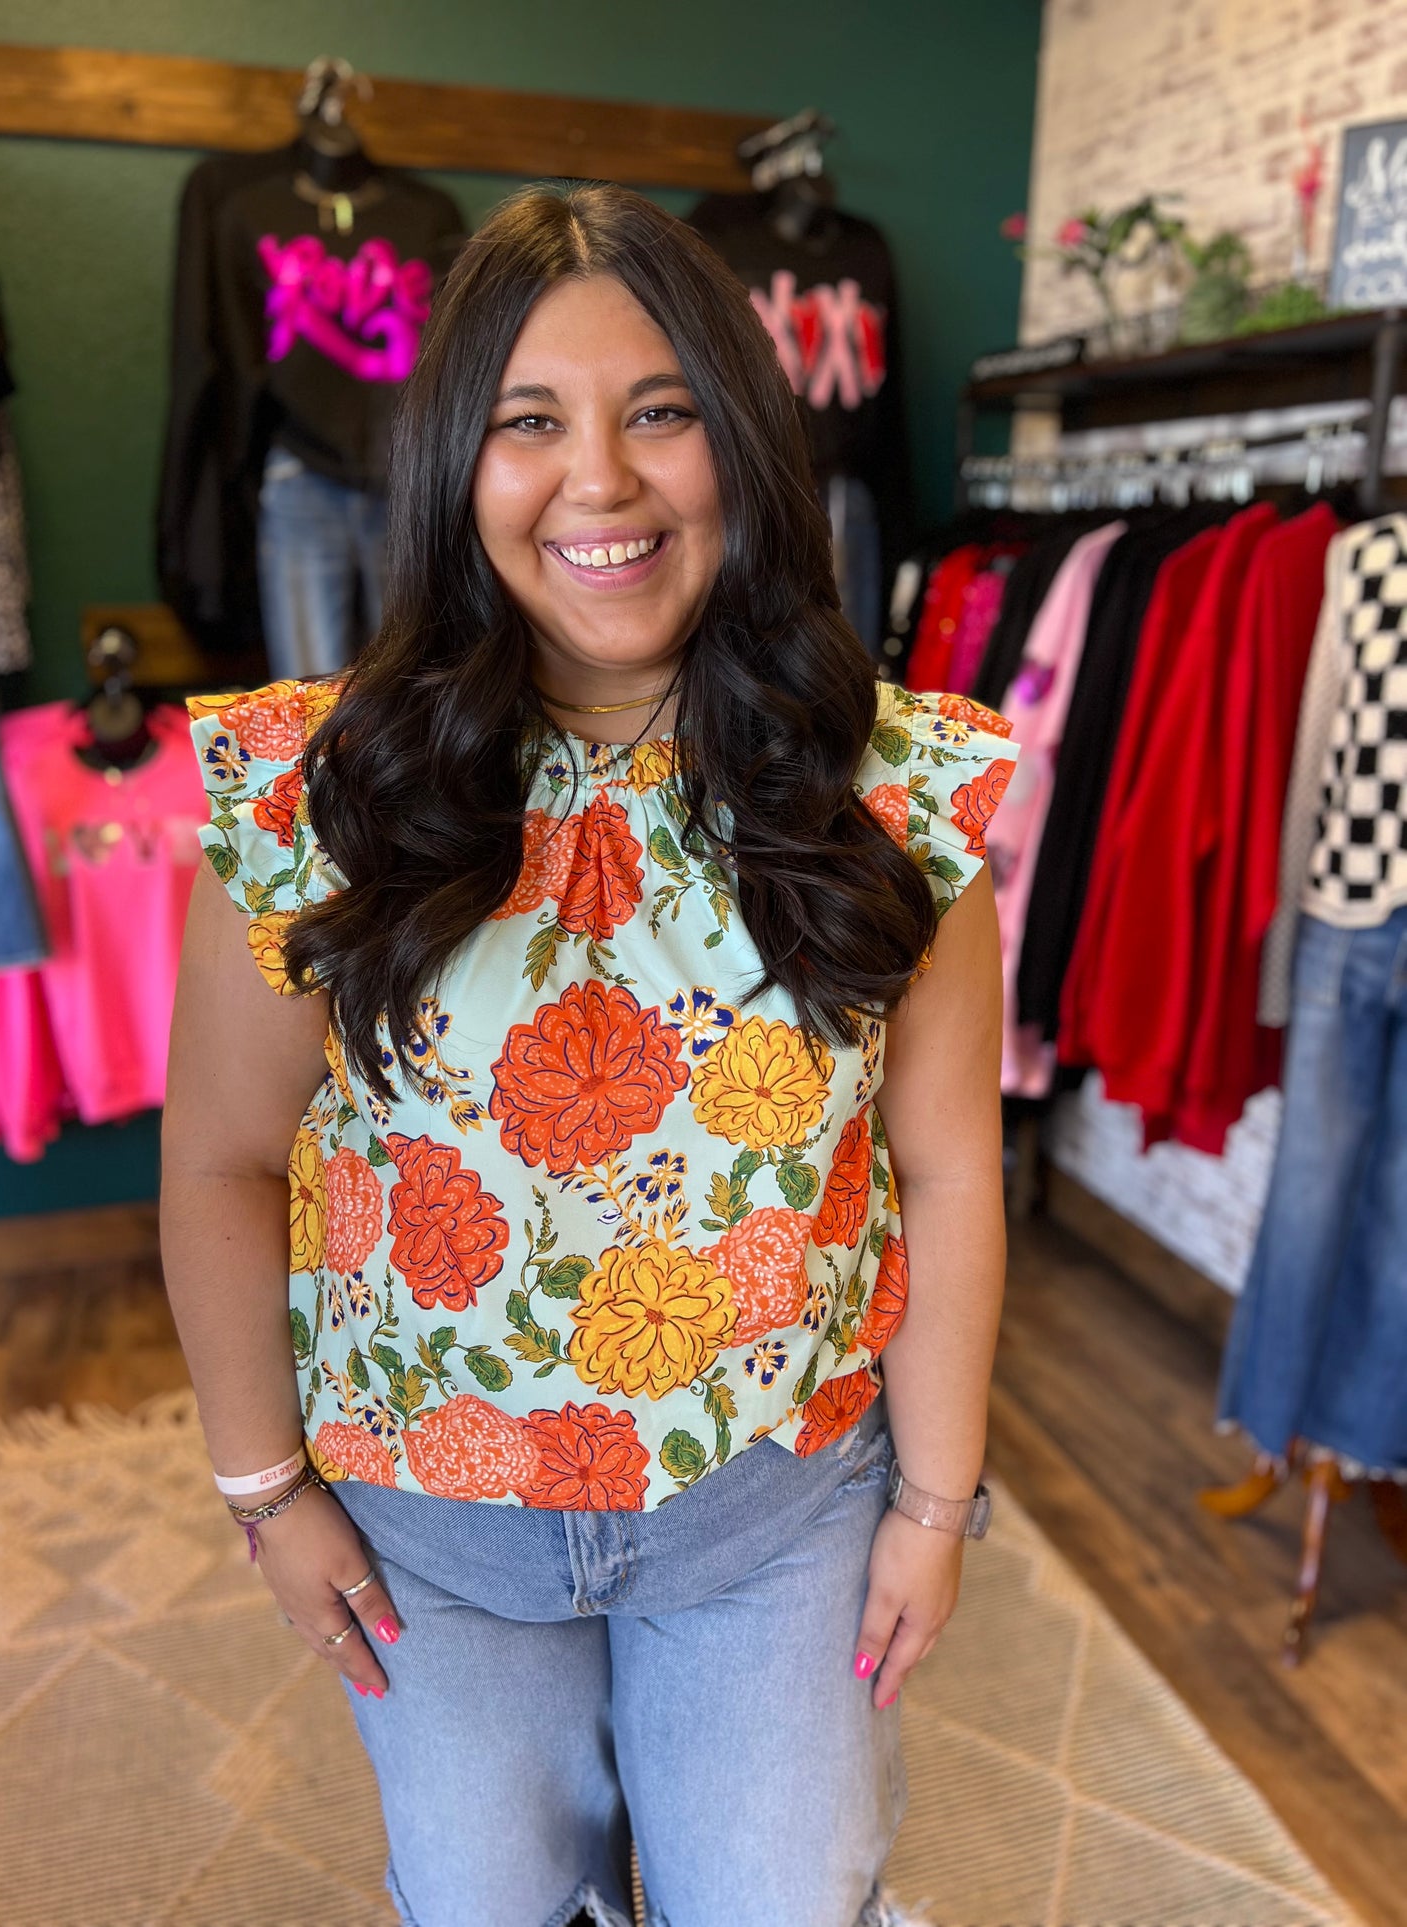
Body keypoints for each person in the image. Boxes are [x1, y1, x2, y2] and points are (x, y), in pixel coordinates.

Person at [162, 181, 1017, 1927]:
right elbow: (227, 1161)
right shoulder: (315, 791)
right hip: (428, 1533)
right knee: (481, 1901)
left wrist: (934, 1508)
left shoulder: (890, 790)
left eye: (661, 413)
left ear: (744, 444)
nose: (601, 481)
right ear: (449, 465)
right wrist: (264, 1493)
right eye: (528, 423)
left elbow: (942, 1171)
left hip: (772, 1516)